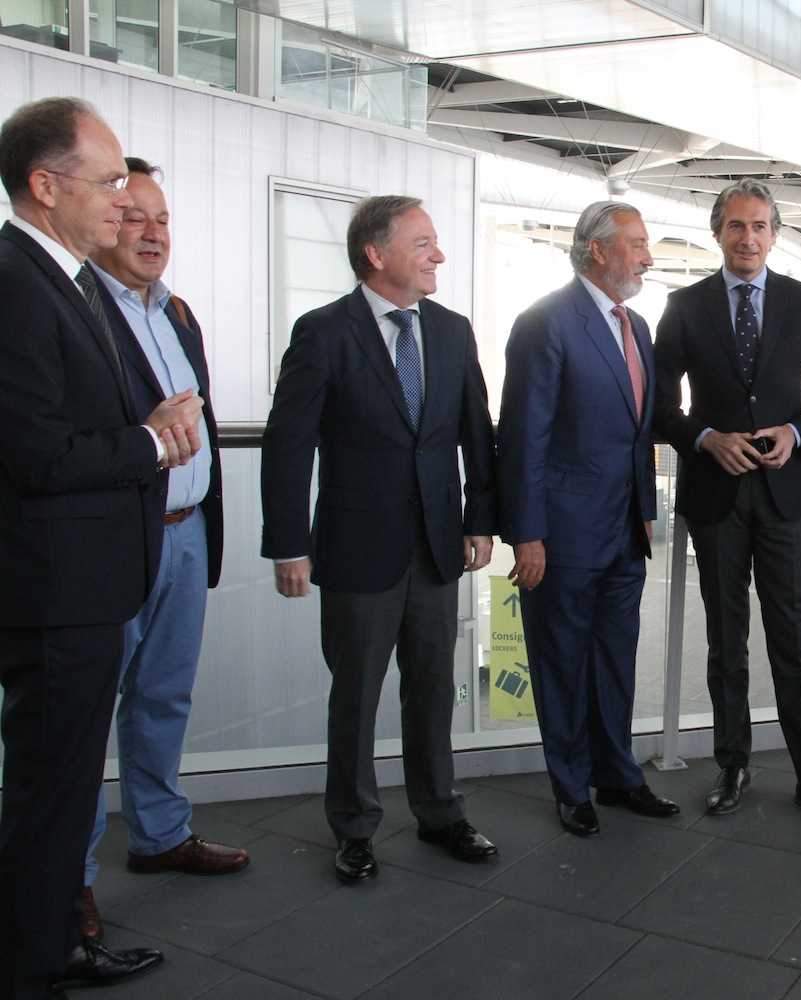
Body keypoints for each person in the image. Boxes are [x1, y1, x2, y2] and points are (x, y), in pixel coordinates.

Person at [0, 97, 186, 999]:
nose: (123, 200)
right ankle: (35, 958)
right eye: (109, 181)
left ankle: (42, 946)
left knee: (61, 785)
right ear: (46, 187)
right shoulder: (15, 281)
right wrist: (152, 440)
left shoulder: (57, 279)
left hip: (81, 583)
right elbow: (34, 452)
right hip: (54, 590)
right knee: (48, 789)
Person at [261, 195, 500, 883]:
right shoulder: (323, 332)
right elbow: (289, 444)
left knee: (432, 689)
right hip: (355, 547)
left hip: (437, 545)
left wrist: (481, 518)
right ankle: (355, 827)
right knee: (357, 693)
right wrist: (288, 543)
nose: (439, 256)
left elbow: (474, 434)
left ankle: (440, 814)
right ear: (376, 253)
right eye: (424, 243)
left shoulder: (452, 332)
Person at [80, 156, 248, 944]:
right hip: (113, 541)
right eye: (135, 217)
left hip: (183, 538)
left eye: (164, 219)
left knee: (163, 698)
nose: (152, 233)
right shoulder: (76, 307)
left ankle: (158, 835)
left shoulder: (177, 312)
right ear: (105, 221)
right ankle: (67, 877)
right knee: (79, 718)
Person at [654, 178, 801, 827]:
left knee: (793, 640)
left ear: (775, 234)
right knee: (726, 641)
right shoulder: (684, 306)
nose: (749, 237)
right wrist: (706, 439)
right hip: (715, 494)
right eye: (737, 226)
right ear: (719, 232)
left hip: (785, 494)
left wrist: (795, 436)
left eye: (761, 226)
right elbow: (661, 407)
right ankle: (732, 765)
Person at [496, 200, 679, 837]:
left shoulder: (638, 327)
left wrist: (645, 511)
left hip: (625, 530)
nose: (648, 257)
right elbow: (523, 438)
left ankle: (618, 774)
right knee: (562, 663)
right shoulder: (544, 322)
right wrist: (528, 533)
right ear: (598, 250)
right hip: (562, 535)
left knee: (615, 660)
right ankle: (571, 786)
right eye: (637, 243)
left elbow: (638, 434)